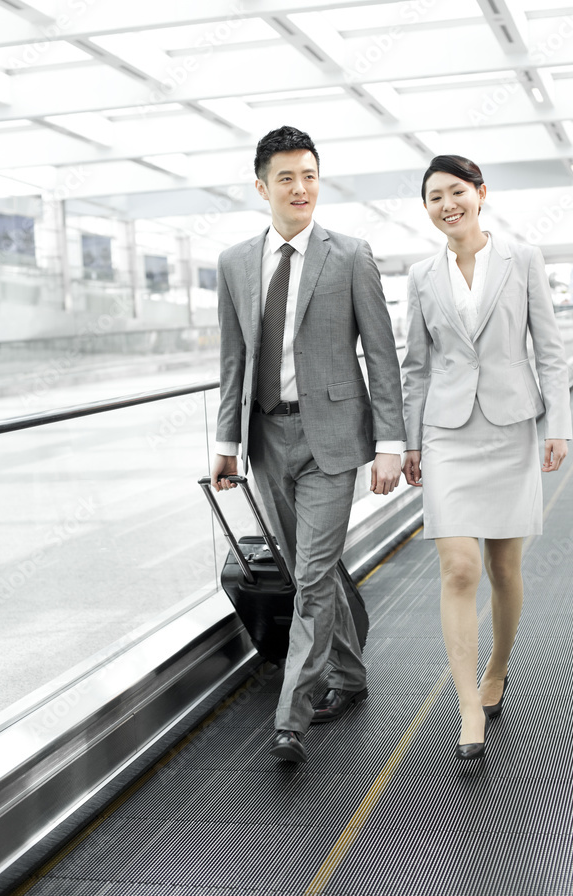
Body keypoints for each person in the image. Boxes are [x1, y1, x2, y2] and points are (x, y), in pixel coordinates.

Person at [211, 126, 404, 763]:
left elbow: (381, 355)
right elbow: (233, 358)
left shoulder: (349, 254)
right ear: (262, 186)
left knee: (315, 574)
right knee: (306, 574)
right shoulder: (236, 263)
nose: (301, 188)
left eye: (310, 176)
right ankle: (350, 676)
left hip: (333, 440)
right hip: (266, 437)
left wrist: (389, 443)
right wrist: (226, 441)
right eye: (287, 178)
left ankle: (291, 714)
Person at [401, 155, 571, 760]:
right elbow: (415, 366)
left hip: (511, 427)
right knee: (458, 569)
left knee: (503, 568)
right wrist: (411, 442)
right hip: (447, 432)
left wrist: (559, 423)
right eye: (433, 197)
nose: (446, 204)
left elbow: (548, 349)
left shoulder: (522, 260)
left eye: (455, 192)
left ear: (480, 194)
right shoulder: (422, 275)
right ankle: (468, 701)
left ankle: (497, 667)